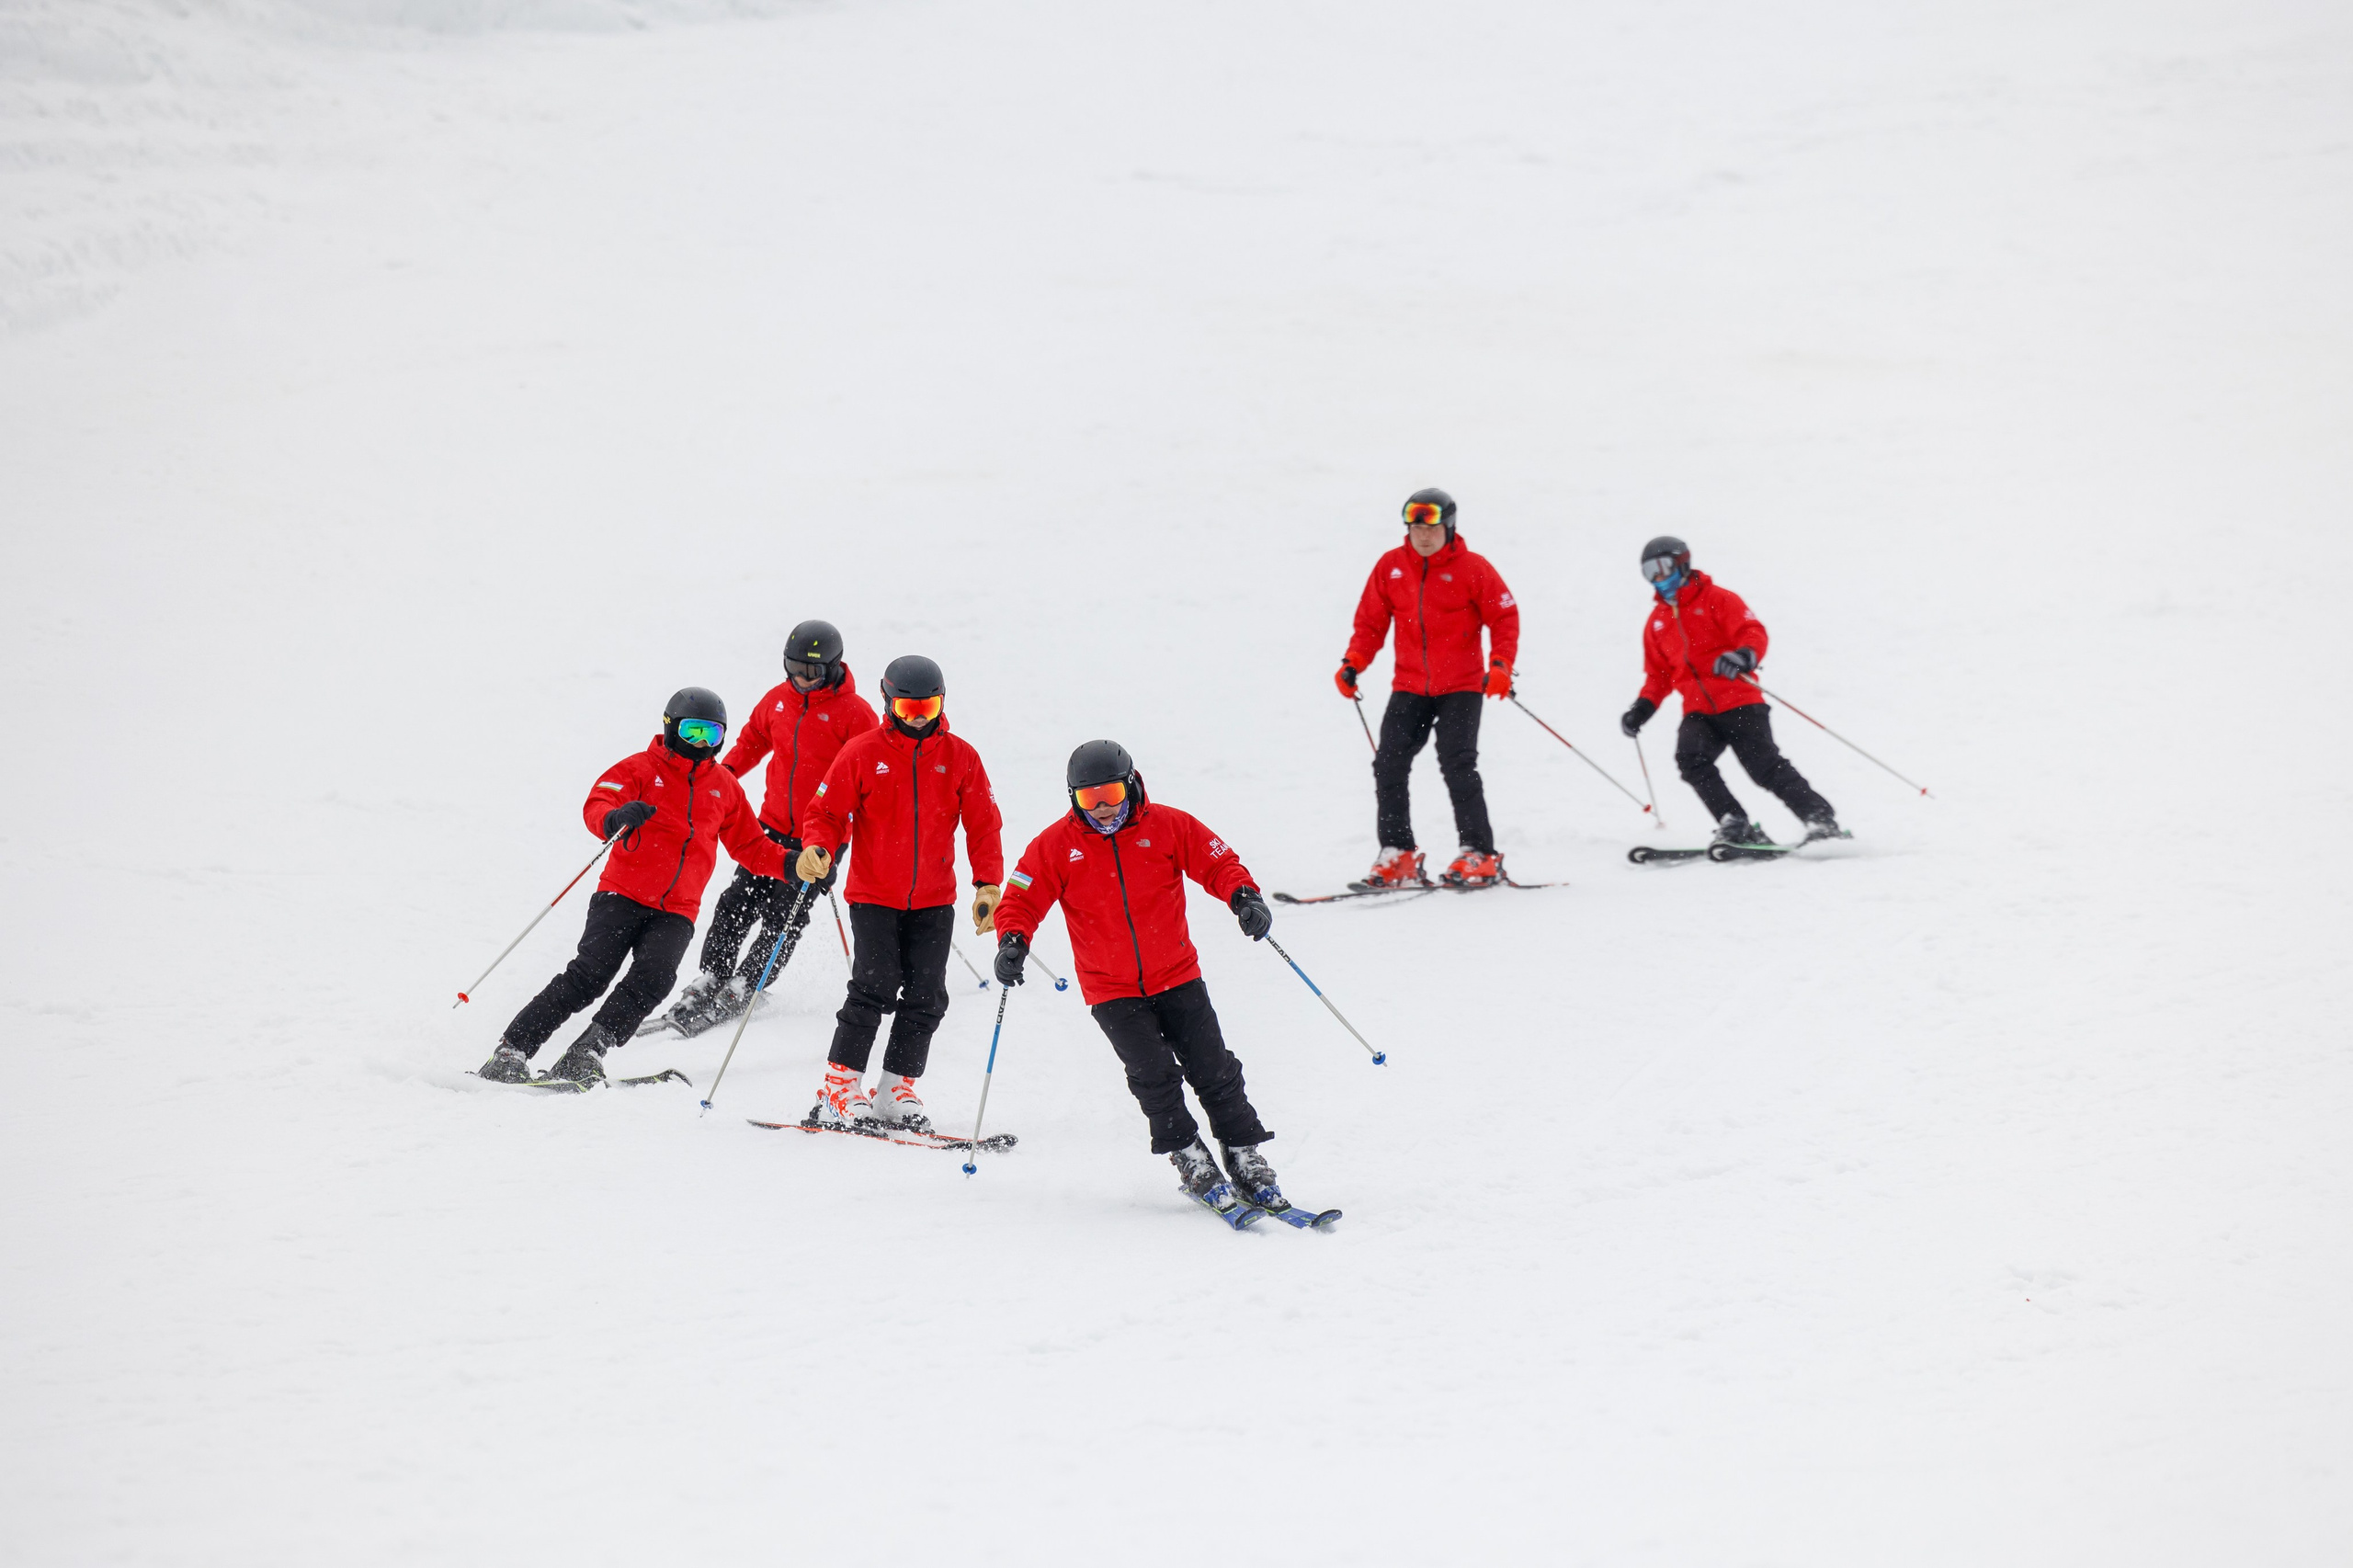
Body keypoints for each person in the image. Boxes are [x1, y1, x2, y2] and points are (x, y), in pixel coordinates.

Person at [989, 740, 1286, 1225]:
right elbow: (1020, 897)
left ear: (1130, 784)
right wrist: (1013, 940)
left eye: (1109, 793)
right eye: (1088, 799)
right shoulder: (1054, 846)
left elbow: (1218, 862)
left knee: (1214, 1067)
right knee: (1153, 1076)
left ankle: (1241, 1151)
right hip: (1111, 989)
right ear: (1073, 799)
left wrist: (1243, 896)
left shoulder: (1168, 825)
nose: (1102, 808)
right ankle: (1190, 1155)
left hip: (1177, 974)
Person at [476, 687, 794, 1087]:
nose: (701, 743)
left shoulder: (724, 787)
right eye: (693, 732)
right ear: (671, 727)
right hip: (621, 895)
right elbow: (599, 801)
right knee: (589, 976)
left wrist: (793, 865)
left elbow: (750, 845)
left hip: (678, 909)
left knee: (655, 979)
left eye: (711, 735)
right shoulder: (641, 768)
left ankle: (586, 1052)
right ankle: (511, 1051)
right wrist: (614, 817)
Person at [794, 654, 1002, 1133]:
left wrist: (987, 882)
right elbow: (825, 812)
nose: (919, 717)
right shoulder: (862, 752)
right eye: (908, 708)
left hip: (934, 899)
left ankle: (894, 1088)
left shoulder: (961, 758)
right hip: (873, 896)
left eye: (928, 706)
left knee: (928, 995)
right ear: (887, 702)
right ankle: (838, 1086)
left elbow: (983, 825)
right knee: (874, 986)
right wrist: (817, 848)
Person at [656, 619, 881, 1034]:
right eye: (793, 667)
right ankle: (712, 976)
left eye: (811, 672)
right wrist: (717, 777)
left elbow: (871, 777)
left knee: (784, 916)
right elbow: (752, 741)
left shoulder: (857, 714)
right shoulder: (778, 700)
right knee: (736, 903)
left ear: (834, 667)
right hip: (771, 825)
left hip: (822, 837)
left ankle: (744, 986)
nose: (801, 679)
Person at [1335, 487, 1521, 890]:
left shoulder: (1473, 568)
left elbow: (1504, 616)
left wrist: (1501, 666)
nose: (1422, 535)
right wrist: (1353, 663)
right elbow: (1370, 623)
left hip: (1463, 686)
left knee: (1457, 763)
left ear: (1449, 527)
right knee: (1388, 763)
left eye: (1430, 527)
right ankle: (1397, 855)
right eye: (1415, 526)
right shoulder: (1391, 567)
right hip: (1410, 685)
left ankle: (1479, 853)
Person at [1619, 536, 1840, 845]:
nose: (1657, 578)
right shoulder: (1657, 622)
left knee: (1763, 767)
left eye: (1662, 568)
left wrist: (1744, 656)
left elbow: (1752, 631)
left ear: (1682, 564)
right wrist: (1642, 708)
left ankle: (1821, 820)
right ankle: (1734, 822)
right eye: (1649, 572)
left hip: (1739, 701)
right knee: (1690, 759)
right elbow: (1658, 675)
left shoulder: (1717, 599)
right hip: (1698, 711)